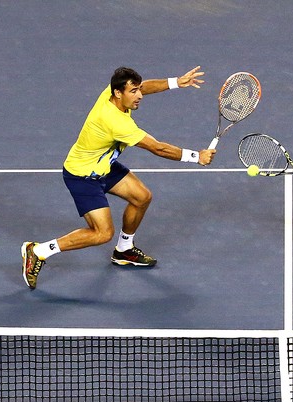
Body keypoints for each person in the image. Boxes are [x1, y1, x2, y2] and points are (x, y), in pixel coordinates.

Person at [21, 66, 216, 289]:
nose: (140, 95)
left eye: (138, 90)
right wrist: (196, 157)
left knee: (141, 197)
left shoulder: (111, 94)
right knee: (102, 233)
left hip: (104, 166)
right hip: (83, 176)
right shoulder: (116, 122)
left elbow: (146, 86)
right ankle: (38, 251)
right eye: (133, 92)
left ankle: (124, 249)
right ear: (118, 93)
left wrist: (176, 82)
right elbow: (158, 148)